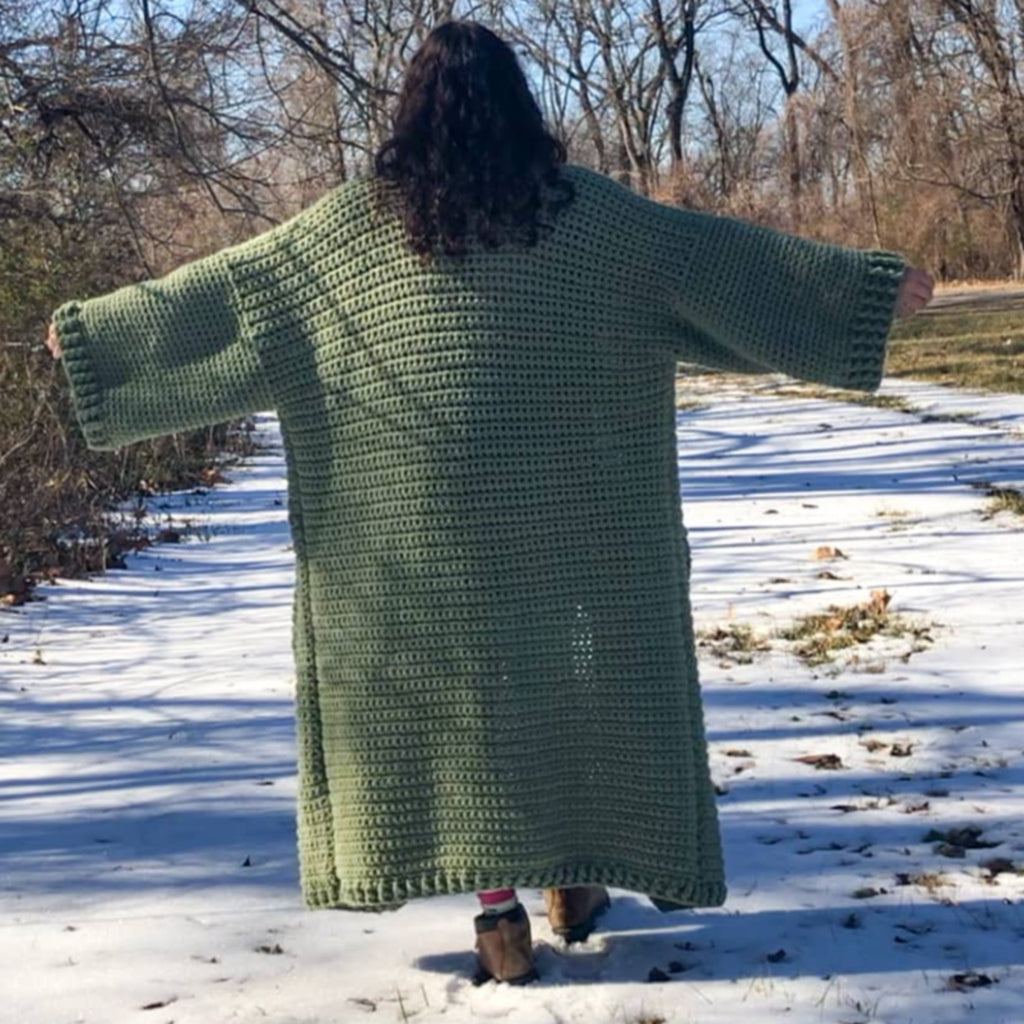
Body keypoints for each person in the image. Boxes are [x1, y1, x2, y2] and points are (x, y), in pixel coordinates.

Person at [44, 19, 934, 987]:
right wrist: (865, 294)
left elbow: (226, 294)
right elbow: (722, 266)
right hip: (568, 533)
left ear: (409, 123)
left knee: (464, 714)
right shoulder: (591, 219)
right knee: (575, 684)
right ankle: (574, 878)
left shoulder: (343, 237)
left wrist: (98, 342)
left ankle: (498, 913)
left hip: (417, 553)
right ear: (520, 114)